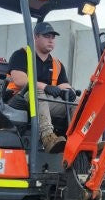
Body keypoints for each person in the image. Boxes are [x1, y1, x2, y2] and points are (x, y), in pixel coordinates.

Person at [7, 21, 76, 153]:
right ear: (36, 37)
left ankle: (77, 140)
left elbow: (64, 84)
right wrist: (46, 87)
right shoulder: (21, 55)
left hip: (44, 102)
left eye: (53, 37)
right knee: (37, 92)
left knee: (77, 102)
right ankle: (48, 137)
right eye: (46, 36)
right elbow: (20, 80)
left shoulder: (57, 63)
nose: (51, 40)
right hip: (19, 100)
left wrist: (69, 91)